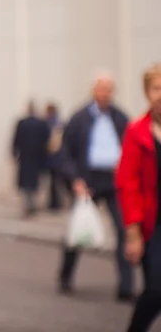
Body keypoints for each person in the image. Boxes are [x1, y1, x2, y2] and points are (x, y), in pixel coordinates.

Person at [57, 72, 134, 300]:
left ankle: (126, 287)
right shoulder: (79, 118)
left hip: (114, 181)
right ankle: (65, 275)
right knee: (78, 229)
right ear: (94, 90)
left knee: (123, 230)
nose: (105, 94)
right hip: (87, 181)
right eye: (101, 89)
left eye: (109, 89)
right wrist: (75, 180)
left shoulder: (120, 118)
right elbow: (65, 154)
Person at [116, 63, 161, 331]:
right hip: (153, 226)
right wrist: (132, 234)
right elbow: (127, 183)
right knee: (156, 289)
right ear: (147, 93)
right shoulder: (137, 132)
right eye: (156, 88)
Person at [12, 101, 50, 216]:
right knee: (34, 181)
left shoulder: (22, 123)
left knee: (26, 182)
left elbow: (16, 139)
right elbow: (46, 140)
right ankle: (32, 204)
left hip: (26, 157)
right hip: (37, 157)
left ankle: (29, 204)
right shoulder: (41, 124)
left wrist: (14, 153)